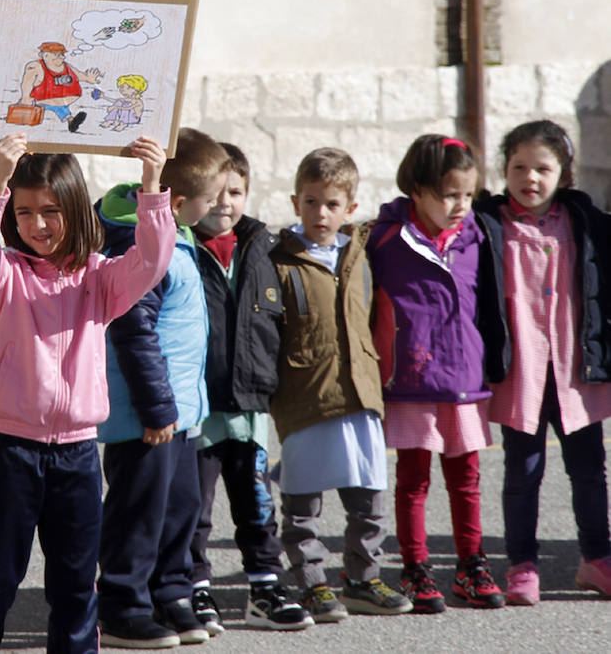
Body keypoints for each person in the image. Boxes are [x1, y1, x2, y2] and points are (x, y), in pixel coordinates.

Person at [0, 132, 175, 654]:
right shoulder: (3, 276)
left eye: (51, 210)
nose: (38, 224)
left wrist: (151, 185)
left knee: (74, 588)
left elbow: (153, 259)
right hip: (10, 451)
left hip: (76, 456)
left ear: (75, 208)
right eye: (25, 213)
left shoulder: (100, 279)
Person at [95, 127, 225, 649]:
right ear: (181, 199)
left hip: (180, 412)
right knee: (138, 511)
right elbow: (134, 334)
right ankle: (124, 604)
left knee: (179, 507)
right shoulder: (139, 243)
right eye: (211, 197)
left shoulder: (180, 234)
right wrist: (155, 409)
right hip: (147, 416)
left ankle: (170, 591)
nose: (216, 205)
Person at [270, 147, 412, 624]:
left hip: (360, 396)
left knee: (368, 500)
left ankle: (361, 579)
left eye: (331, 204)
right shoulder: (279, 260)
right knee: (302, 506)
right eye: (310, 202)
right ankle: (312, 584)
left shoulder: (359, 254)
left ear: (349, 209)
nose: (320, 213)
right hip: (305, 396)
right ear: (295, 202)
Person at [474, 120, 611, 606]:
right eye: (519, 167)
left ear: (564, 173)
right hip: (522, 373)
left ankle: (597, 558)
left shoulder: (585, 221)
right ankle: (522, 564)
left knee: (590, 470)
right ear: (504, 168)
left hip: (577, 372)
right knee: (522, 471)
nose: (530, 177)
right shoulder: (487, 224)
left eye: (543, 169)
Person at [367, 135, 504, 613]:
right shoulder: (384, 239)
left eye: (468, 195)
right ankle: (415, 569)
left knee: (466, 479)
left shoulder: (477, 236)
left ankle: (471, 566)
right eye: (449, 195)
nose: (460, 205)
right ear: (417, 191)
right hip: (411, 381)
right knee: (413, 481)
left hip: (464, 379)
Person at [189, 142, 307, 633]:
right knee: (193, 511)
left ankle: (264, 585)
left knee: (256, 505)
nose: (224, 202)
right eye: (214, 192)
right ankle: (192, 588)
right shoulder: (178, 245)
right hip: (197, 409)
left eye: (234, 191)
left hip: (251, 404)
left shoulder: (264, 247)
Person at [19, 42, 103, 132]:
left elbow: (77, 74)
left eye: (62, 54)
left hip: (59, 99)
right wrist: (25, 97)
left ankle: (71, 121)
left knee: (60, 106)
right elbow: (27, 83)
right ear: (44, 55)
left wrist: (88, 78)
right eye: (56, 55)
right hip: (41, 100)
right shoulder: (36, 66)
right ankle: (69, 119)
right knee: (54, 107)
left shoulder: (65, 66)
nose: (62, 57)